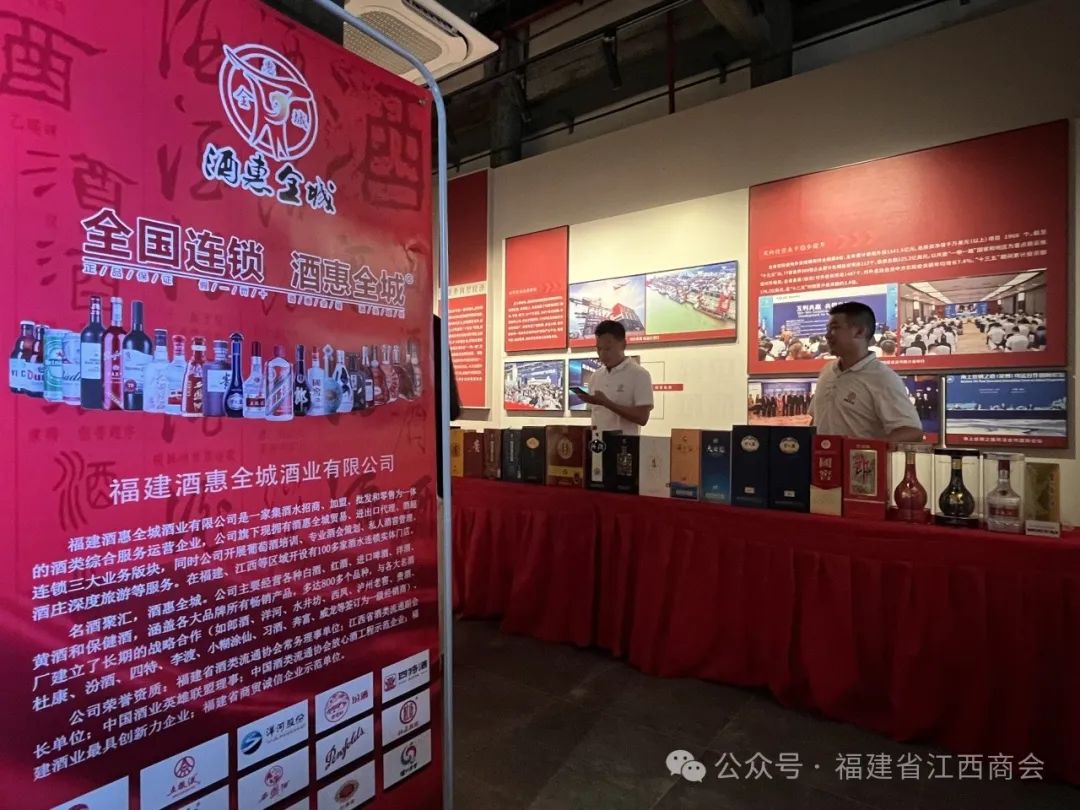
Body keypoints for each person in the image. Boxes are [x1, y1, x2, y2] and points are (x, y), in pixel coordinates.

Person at [809, 302, 923, 441]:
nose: (827, 335)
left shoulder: (883, 378)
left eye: (834, 328)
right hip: (821, 455)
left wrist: (863, 448)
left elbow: (911, 432)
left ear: (860, 331)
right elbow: (813, 418)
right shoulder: (827, 371)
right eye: (827, 329)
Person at [575, 320, 653, 434]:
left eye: (608, 349)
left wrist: (607, 403)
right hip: (597, 442)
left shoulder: (640, 375)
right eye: (599, 349)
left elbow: (642, 418)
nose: (602, 354)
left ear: (623, 345)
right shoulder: (596, 376)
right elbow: (596, 414)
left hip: (625, 443)